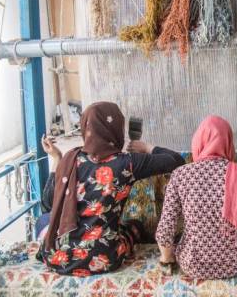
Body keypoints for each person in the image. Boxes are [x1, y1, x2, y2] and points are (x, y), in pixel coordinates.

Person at [38, 101, 185, 276]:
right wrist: (146, 148)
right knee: (135, 226)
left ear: (86, 128)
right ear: (115, 129)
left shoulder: (70, 159)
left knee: (44, 221)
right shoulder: (127, 163)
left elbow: (47, 204)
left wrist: (57, 159)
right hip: (102, 258)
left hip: (57, 257)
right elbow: (176, 161)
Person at [155, 115, 237, 279]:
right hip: (236, 264)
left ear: (198, 141)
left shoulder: (181, 175)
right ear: (229, 143)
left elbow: (165, 231)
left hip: (192, 264)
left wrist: (167, 258)